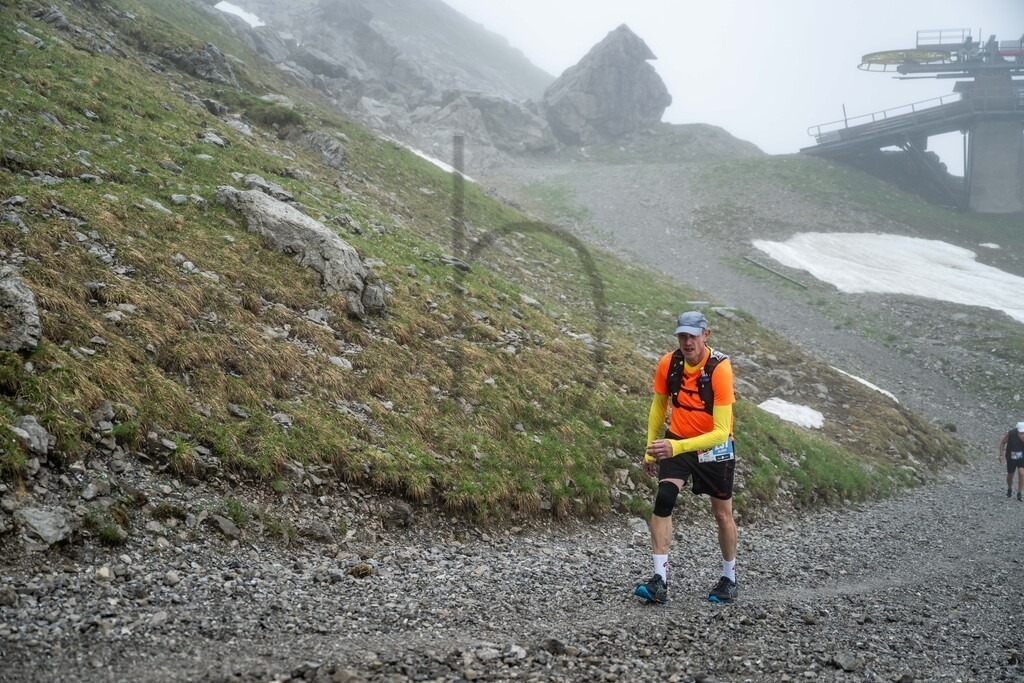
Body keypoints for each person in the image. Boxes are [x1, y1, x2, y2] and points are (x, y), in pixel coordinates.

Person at [633, 310, 738, 605]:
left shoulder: (720, 369)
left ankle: (729, 579)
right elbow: (658, 407)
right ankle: (659, 581)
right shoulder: (669, 363)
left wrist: (675, 448)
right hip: (677, 439)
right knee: (664, 499)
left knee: (722, 514)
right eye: (682, 335)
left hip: (714, 448)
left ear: (706, 334)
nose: (687, 342)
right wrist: (651, 447)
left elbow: (721, 432)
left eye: (692, 335)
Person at [998, 421, 1024, 501]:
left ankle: (1019, 493)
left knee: (1022, 473)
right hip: (1011, 456)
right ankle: (1009, 488)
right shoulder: (1011, 433)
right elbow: (1002, 443)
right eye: (1021, 433)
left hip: (1022, 456)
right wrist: (1001, 455)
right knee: (1010, 474)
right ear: (1018, 432)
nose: (1023, 435)